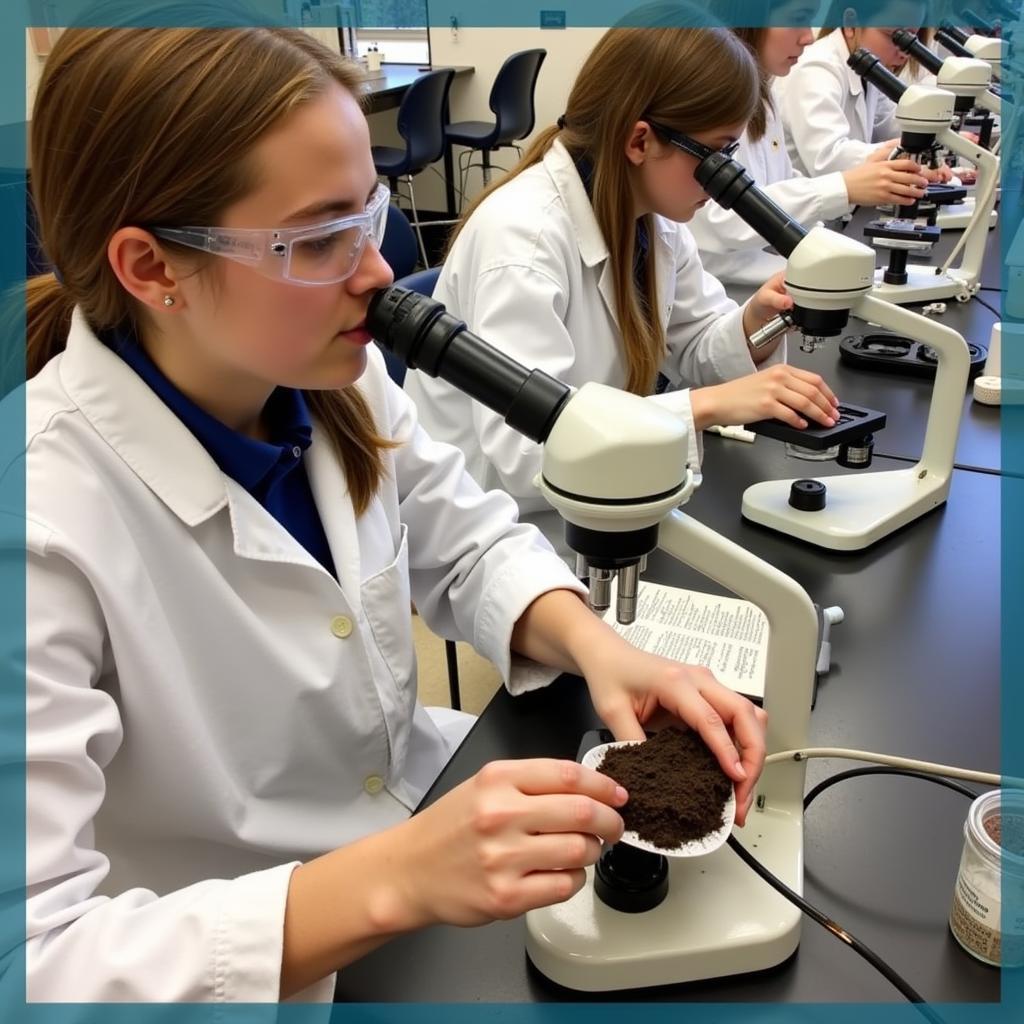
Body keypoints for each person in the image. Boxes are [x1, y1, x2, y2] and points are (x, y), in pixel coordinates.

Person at [15, 15, 768, 1004]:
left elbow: (464, 542)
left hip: (406, 824)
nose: (376, 274)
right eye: (322, 238)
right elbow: (32, 959)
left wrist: (600, 647)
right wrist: (391, 880)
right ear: (153, 269)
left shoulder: (336, 383)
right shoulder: (38, 529)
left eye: (369, 216)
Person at [404, 11, 840, 554]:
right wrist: (705, 406)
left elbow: (696, 347)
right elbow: (523, 451)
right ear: (641, 141)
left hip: (604, 497)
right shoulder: (524, 240)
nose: (729, 178)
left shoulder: (651, 219)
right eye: (720, 154)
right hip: (512, 529)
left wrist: (759, 320)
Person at [689, 10, 933, 286]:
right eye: (796, 19)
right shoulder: (811, 69)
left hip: (771, 267)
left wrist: (894, 157)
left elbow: (781, 177)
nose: (808, 37)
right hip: (735, 288)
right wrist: (843, 187)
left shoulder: (762, 92)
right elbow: (721, 218)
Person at [774, 2, 944, 176]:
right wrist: (904, 155)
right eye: (896, 36)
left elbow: (890, 123)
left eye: (912, 38)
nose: (904, 52)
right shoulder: (815, 69)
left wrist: (939, 135)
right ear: (851, 23)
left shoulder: (867, 70)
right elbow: (828, 159)